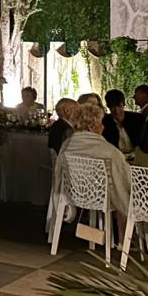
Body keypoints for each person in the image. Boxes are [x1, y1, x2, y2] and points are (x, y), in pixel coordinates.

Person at [53, 102, 131, 237]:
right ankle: (125, 241)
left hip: (75, 193)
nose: (103, 126)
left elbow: (59, 174)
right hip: (102, 197)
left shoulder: (67, 145)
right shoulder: (109, 151)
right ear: (91, 126)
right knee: (125, 194)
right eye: (100, 123)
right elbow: (125, 179)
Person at [101, 89, 135, 154]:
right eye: (113, 107)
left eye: (119, 106)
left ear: (124, 104)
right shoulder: (105, 122)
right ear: (108, 106)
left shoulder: (136, 119)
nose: (116, 110)